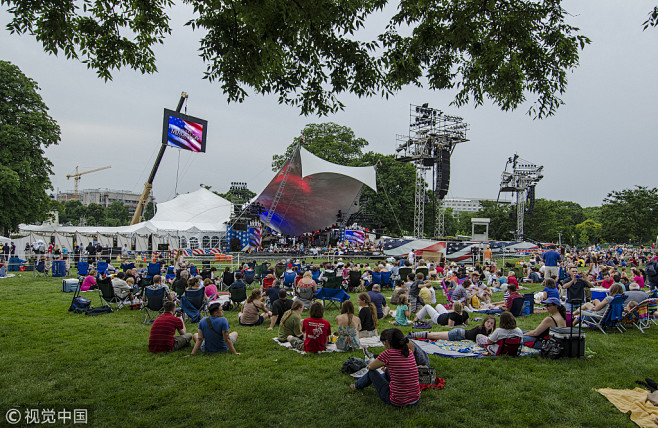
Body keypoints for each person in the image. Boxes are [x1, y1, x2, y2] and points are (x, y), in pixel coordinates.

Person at [351, 328, 420, 407]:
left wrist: (371, 363)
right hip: (415, 399)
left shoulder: (388, 353)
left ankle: (356, 386)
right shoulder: (408, 352)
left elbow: (371, 367)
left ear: (388, 341)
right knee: (387, 371)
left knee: (372, 373)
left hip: (397, 400)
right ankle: (374, 382)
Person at [408, 315, 496, 341]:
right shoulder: (481, 330)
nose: (489, 324)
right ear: (484, 322)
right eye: (488, 322)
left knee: (435, 335)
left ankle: (414, 334)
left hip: (460, 334)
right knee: (435, 335)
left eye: (491, 323)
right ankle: (413, 334)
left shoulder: (487, 331)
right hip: (458, 334)